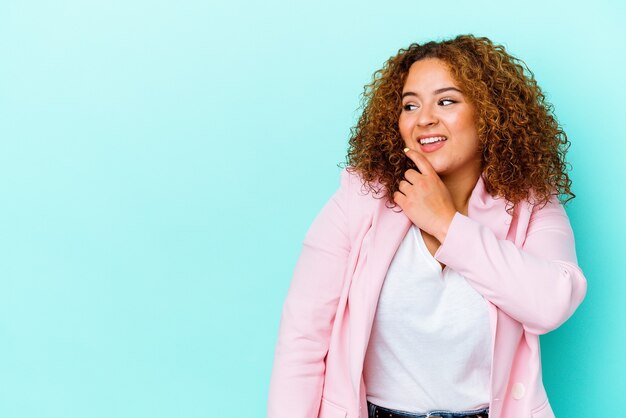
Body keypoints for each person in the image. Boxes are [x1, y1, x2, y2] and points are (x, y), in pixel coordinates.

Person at [267, 34, 587, 418]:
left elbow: (551, 304)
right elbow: (302, 338)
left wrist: (446, 222)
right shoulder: (360, 198)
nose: (424, 118)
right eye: (410, 105)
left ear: (489, 113)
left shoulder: (530, 203)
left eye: (447, 100)